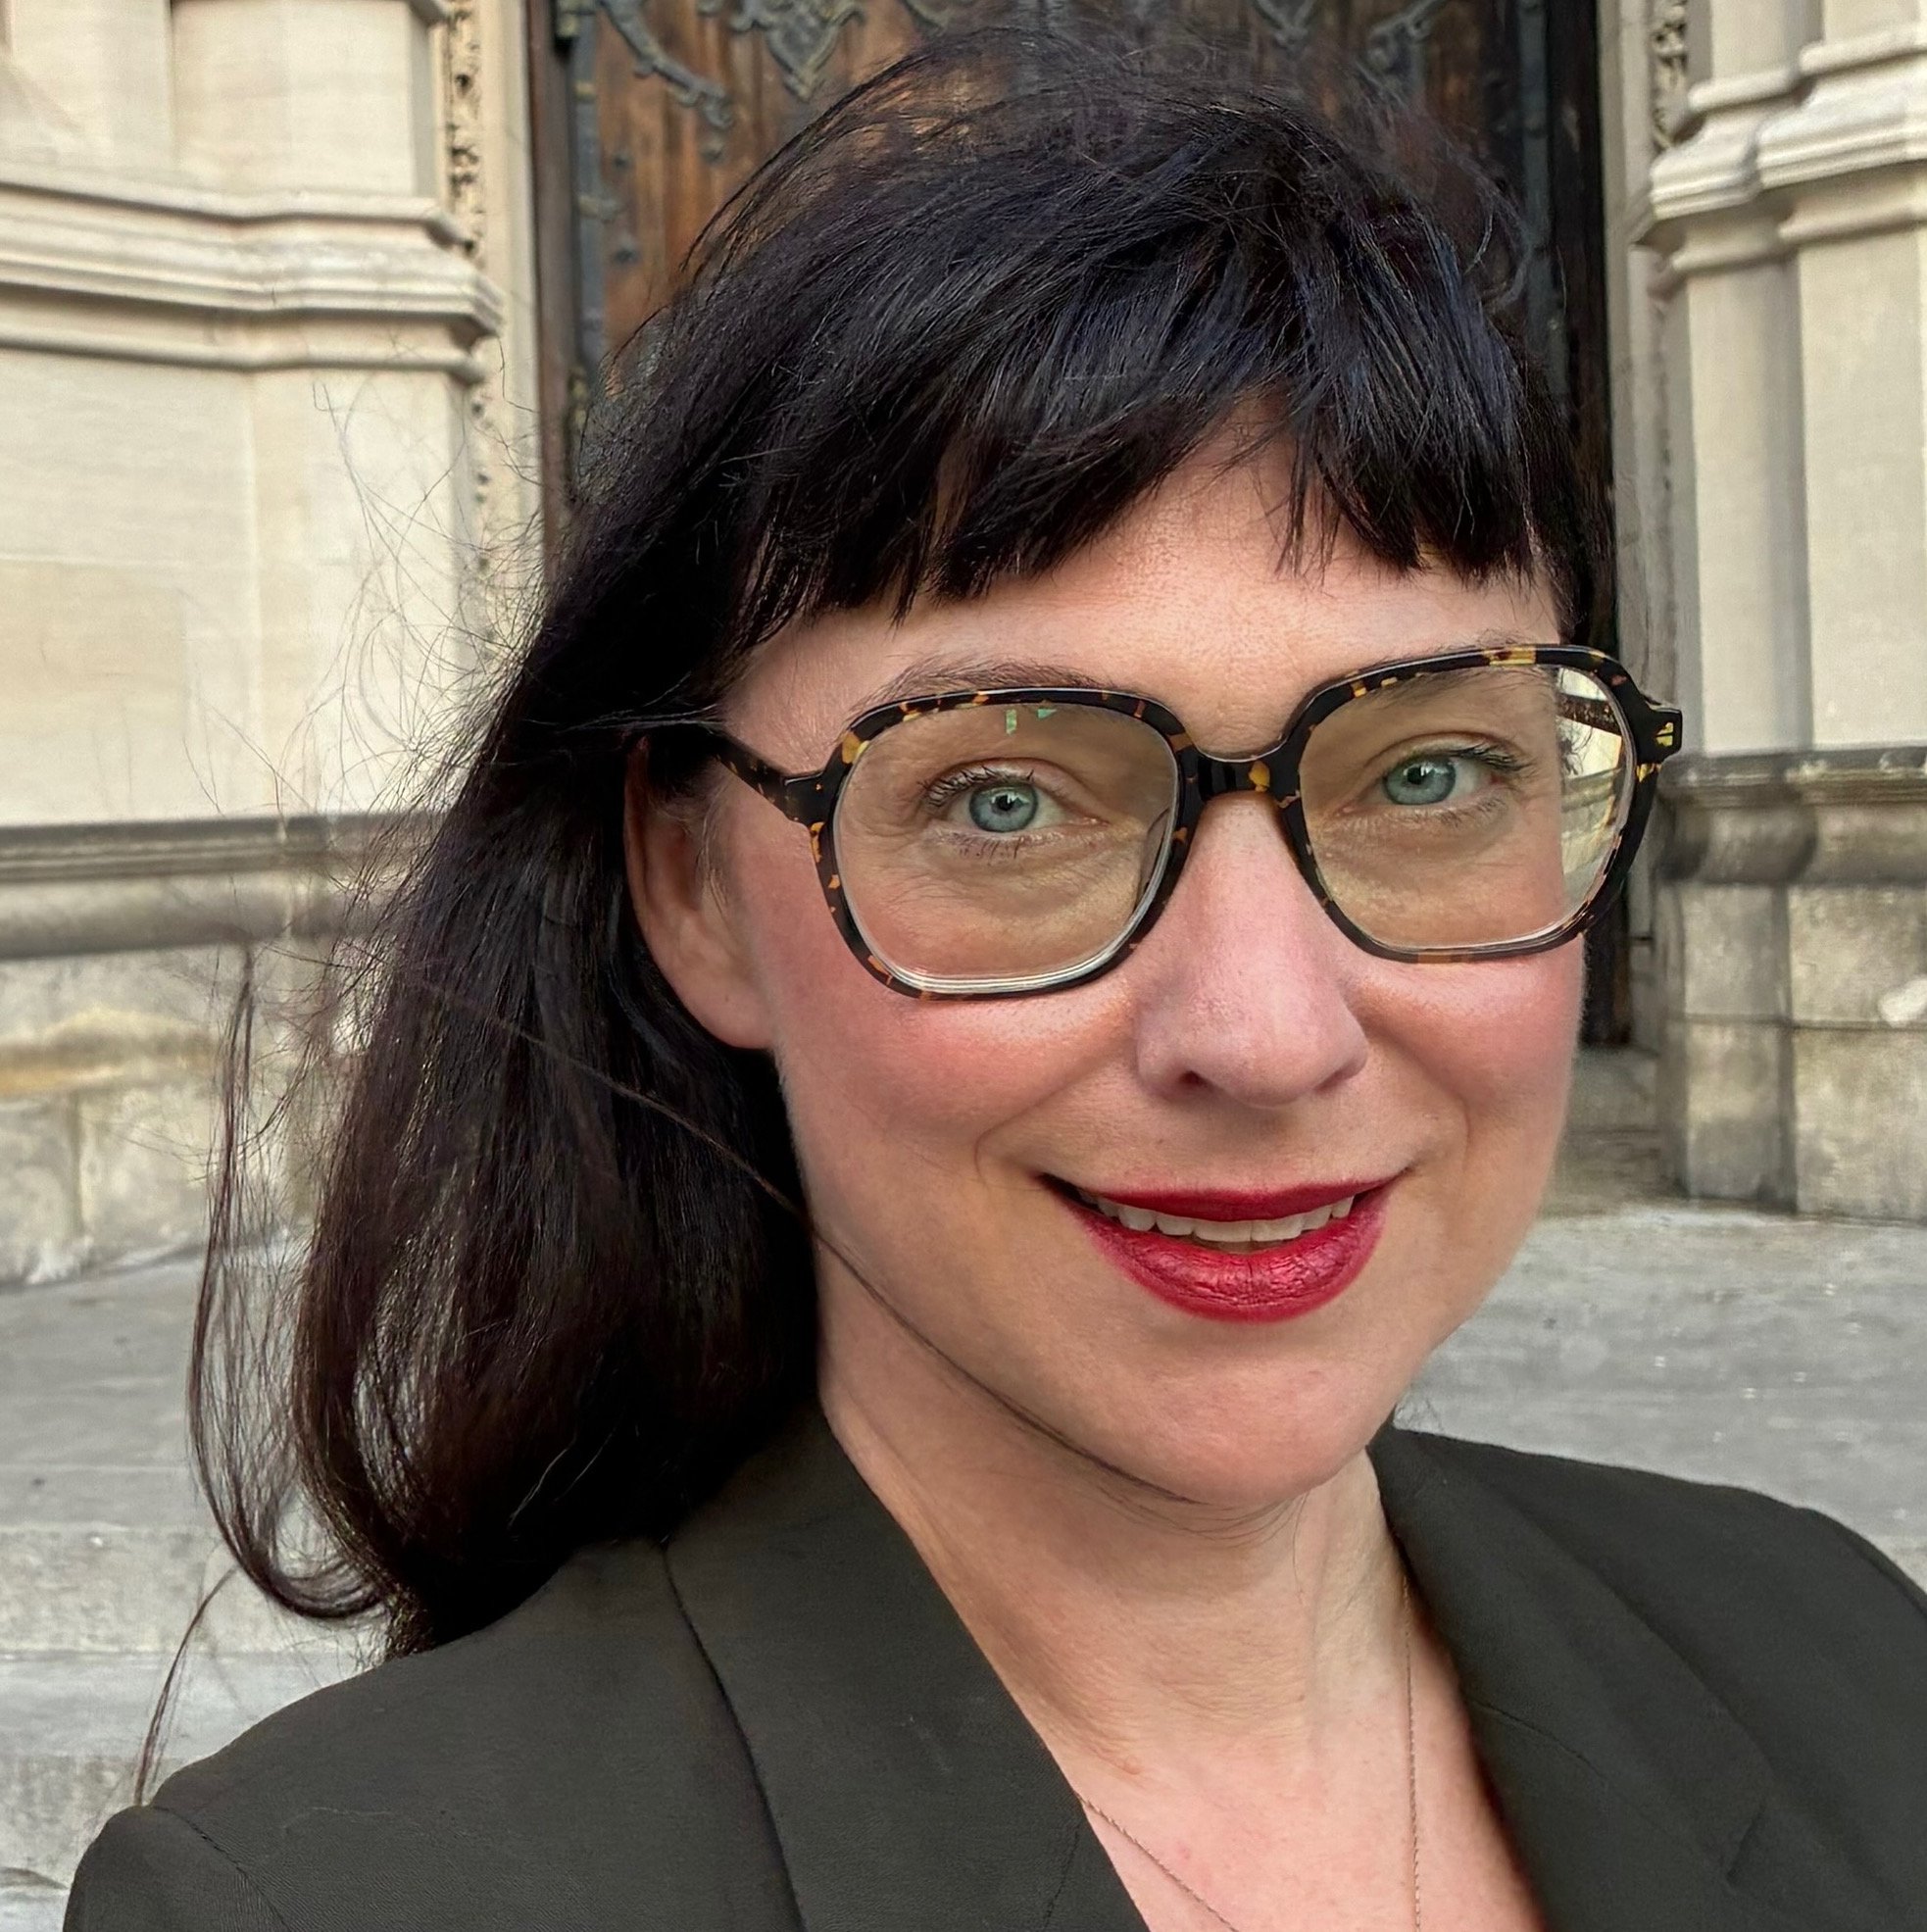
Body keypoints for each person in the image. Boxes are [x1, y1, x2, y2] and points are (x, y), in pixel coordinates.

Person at [66, 25, 1926, 1932]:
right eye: (1007, 796)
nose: (1265, 1029)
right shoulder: (324, 1901)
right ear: (693, 883)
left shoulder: (1839, 1661)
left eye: (1429, 773)